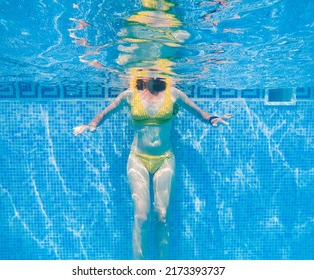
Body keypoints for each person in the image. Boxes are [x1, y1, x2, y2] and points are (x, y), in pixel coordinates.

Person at [73, 71, 232, 259]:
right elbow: (104, 113)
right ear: (141, 74)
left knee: (162, 216)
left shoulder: (174, 93)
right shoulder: (129, 95)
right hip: (138, 159)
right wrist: (91, 125)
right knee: (141, 216)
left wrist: (212, 118)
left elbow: (199, 112)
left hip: (164, 158)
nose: (153, 74)